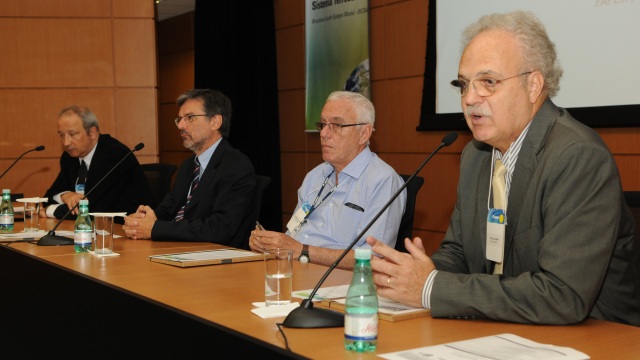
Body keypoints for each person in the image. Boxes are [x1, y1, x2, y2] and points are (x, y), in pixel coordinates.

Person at [366, 11, 640, 326]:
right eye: (464, 85)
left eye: (488, 82)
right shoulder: (476, 155)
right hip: (505, 329)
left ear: (533, 85)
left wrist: (431, 287)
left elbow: (562, 295)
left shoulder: (577, 156)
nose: (469, 99)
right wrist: (413, 274)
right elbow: (458, 254)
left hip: (597, 337)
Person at [249, 91, 406, 269]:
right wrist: (270, 245)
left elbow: (376, 258)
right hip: (298, 270)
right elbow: (294, 233)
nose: (323, 133)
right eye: (323, 124)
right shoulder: (315, 176)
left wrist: (302, 251)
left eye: (336, 125)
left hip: (342, 283)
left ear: (364, 133)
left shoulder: (383, 181)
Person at [123, 89, 256, 247]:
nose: (180, 125)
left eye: (189, 118)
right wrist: (142, 221)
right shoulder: (188, 165)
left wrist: (155, 228)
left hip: (213, 258)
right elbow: (167, 210)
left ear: (215, 122)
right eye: (179, 119)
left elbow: (220, 228)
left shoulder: (236, 166)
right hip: (179, 249)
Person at [41, 106, 152, 223]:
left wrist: (49, 210)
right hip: (93, 229)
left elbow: (93, 210)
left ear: (92, 133)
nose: (66, 142)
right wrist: (66, 196)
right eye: (61, 135)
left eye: (72, 134)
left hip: (125, 228)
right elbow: (48, 197)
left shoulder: (115, 155)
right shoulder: (69, 158)